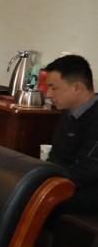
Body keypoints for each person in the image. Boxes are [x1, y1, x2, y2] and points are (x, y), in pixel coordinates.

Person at [42, 54, 98, 214]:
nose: (48, 94)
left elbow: (87, 172)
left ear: (77, 88)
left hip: (87, 194)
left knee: (26, 199)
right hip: (64, 185)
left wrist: (47, 187)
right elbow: (55, 157)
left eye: (54, 88)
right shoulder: (69, 113)